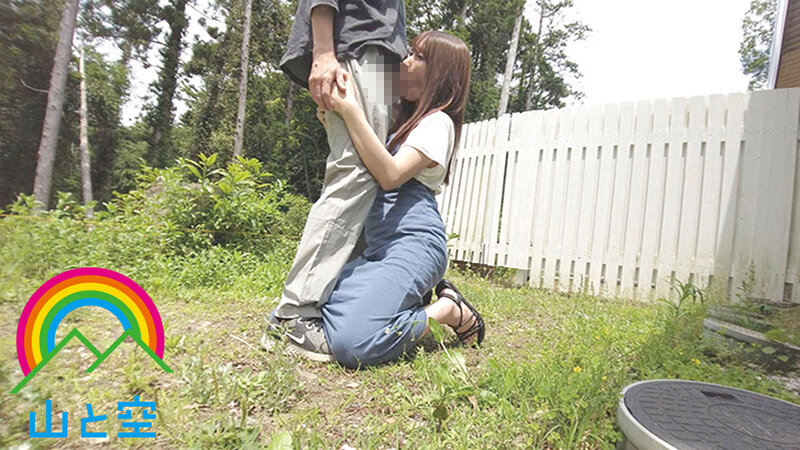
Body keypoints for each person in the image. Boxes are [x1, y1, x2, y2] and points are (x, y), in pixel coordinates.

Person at [319, 30, 485, 369]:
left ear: (441, 73)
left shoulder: (438, 122)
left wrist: (350, 111)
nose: (406, 61)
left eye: (419, 57)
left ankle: (448, 309)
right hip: (379, 246)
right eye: (410, 52)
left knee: (352, 344)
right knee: (323, 305)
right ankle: (409, 304)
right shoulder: (403, 123)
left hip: (413, 242)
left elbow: (391, 174)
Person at [264, 0, 410, 361]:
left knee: (363, 178)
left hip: (374, 58)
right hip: (359, 51)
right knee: (355, 174)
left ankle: (326, 303)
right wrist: (324, 53)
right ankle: (294, 313)